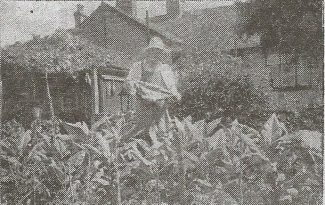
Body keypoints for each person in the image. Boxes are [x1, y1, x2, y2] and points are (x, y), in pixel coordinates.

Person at [123, 37, 181, 141]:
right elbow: (129, 82)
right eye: (153, 51)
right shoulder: (138, 66)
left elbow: (172, 87)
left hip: (160, 109)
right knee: (141, 134)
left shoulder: (165, 69)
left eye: (158, 52)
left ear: (162, 54)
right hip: (143, 107)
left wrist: (176, 94)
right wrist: (133, 87)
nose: (155, 54)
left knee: (162, 134)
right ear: (148, 52)